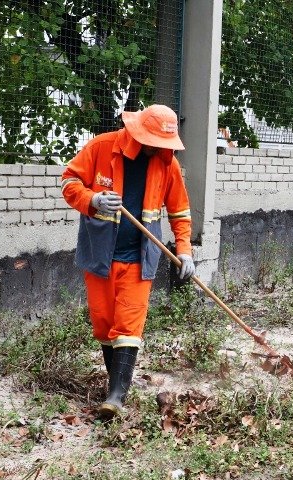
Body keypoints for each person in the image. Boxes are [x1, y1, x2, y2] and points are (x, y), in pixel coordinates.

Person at [61, 104, 195, 419]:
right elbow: (69, 182)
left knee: (129, 325)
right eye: (155, 142)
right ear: (139, 134)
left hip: (139, 257)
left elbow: (179, 211)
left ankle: (117, 397)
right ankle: (115, 386)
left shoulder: (167, 163)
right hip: (100, 255)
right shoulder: (102, 147)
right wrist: (93, 199)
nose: (160, 148)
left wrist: (185, 250)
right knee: (104, 323)